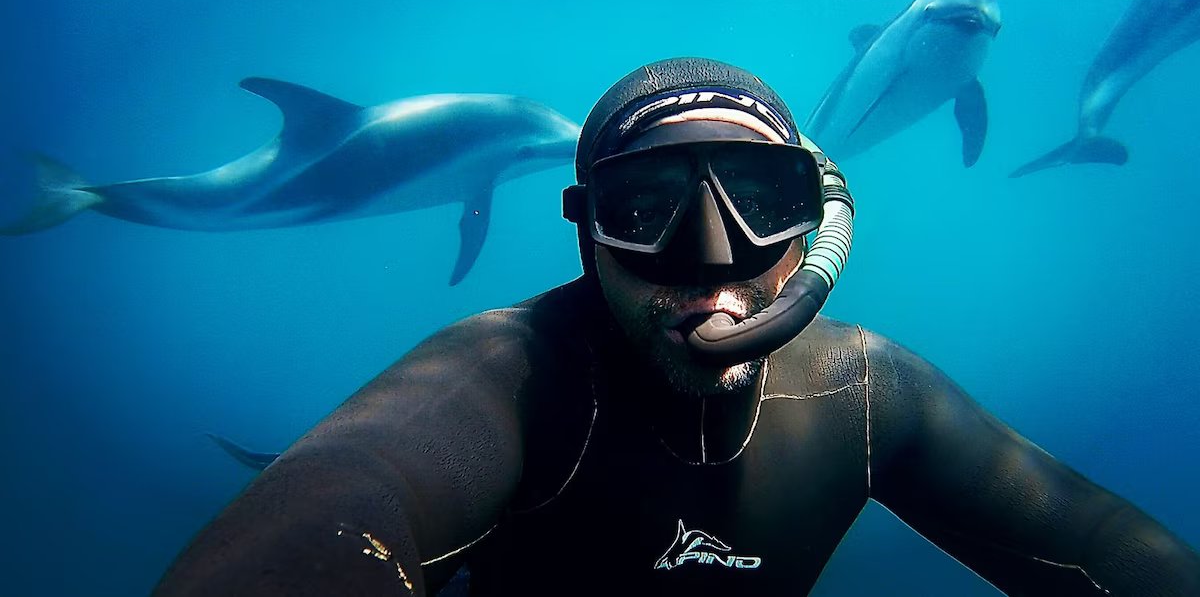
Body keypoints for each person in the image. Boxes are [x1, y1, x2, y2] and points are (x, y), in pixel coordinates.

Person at [154, 58, 1199, 596]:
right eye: (645, 209)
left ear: (821, 221)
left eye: (758, 199)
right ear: (585, 234)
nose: (713, 258)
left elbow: (1113, 549)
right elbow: (334, 511)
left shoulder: (867, 393)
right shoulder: (502, 378)